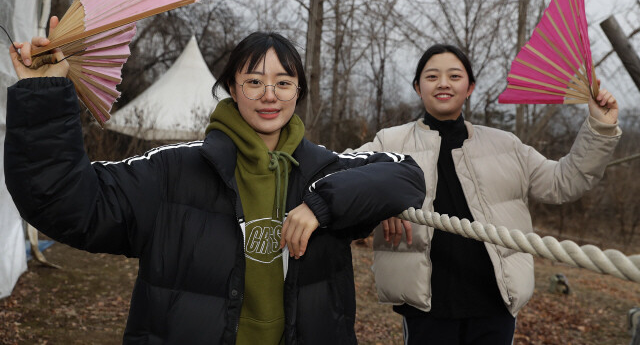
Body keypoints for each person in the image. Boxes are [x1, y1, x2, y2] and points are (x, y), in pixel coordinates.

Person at [4, 21, 426, 345]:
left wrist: (323, 206)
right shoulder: (174, 171)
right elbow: (69, 204)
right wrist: (43, 94)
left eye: (283, 82)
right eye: (254, 81)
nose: (269, 94)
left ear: (298, 92)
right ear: (231, 88)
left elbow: (404, 174)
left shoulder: (325, 171)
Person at [352, 43, 621, 345]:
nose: (443, 83)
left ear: (470, 87)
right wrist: (384, 200)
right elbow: (347, 176)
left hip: (494, 304)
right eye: (432, 76)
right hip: (427, 308)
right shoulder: (390, 142)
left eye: (454, 76)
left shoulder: (506, 145)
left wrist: (600, 127)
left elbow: (563, 182)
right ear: (418, 87)